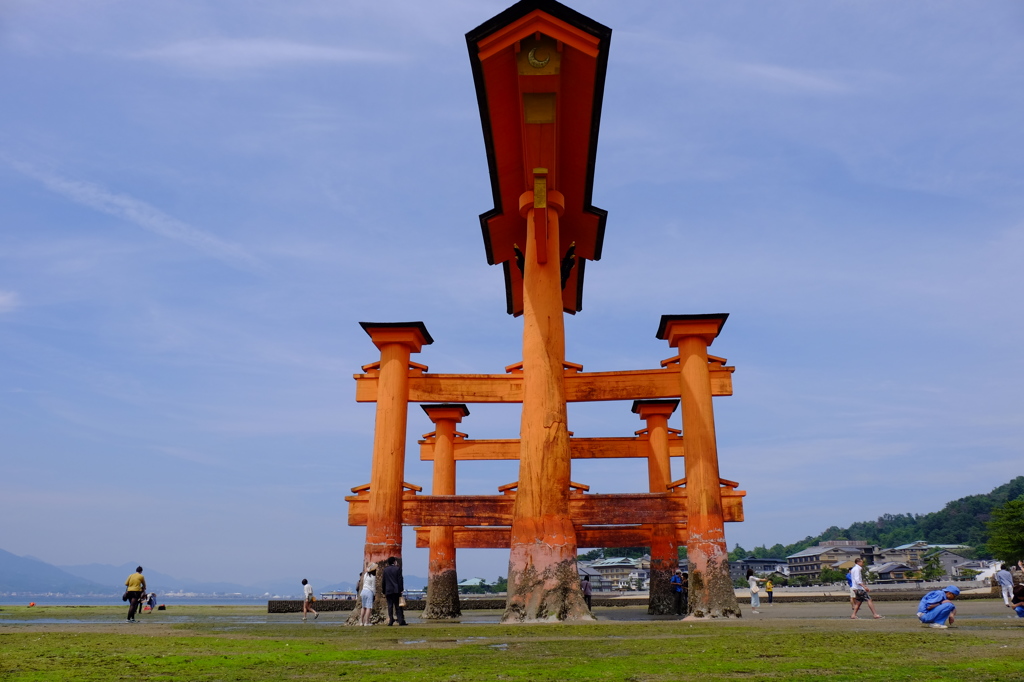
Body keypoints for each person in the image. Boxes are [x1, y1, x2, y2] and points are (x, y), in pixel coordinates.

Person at [383, 557, 407, 626]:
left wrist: (384, 590)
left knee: (390, 606)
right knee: (398, 606)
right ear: (394, 561)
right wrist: (401, 589)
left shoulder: (385, 570)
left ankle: (391, 620)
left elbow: (384, 581)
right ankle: (400, 620)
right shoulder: (398, 569)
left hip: (388, 590)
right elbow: (400, 580)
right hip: (396, 590)